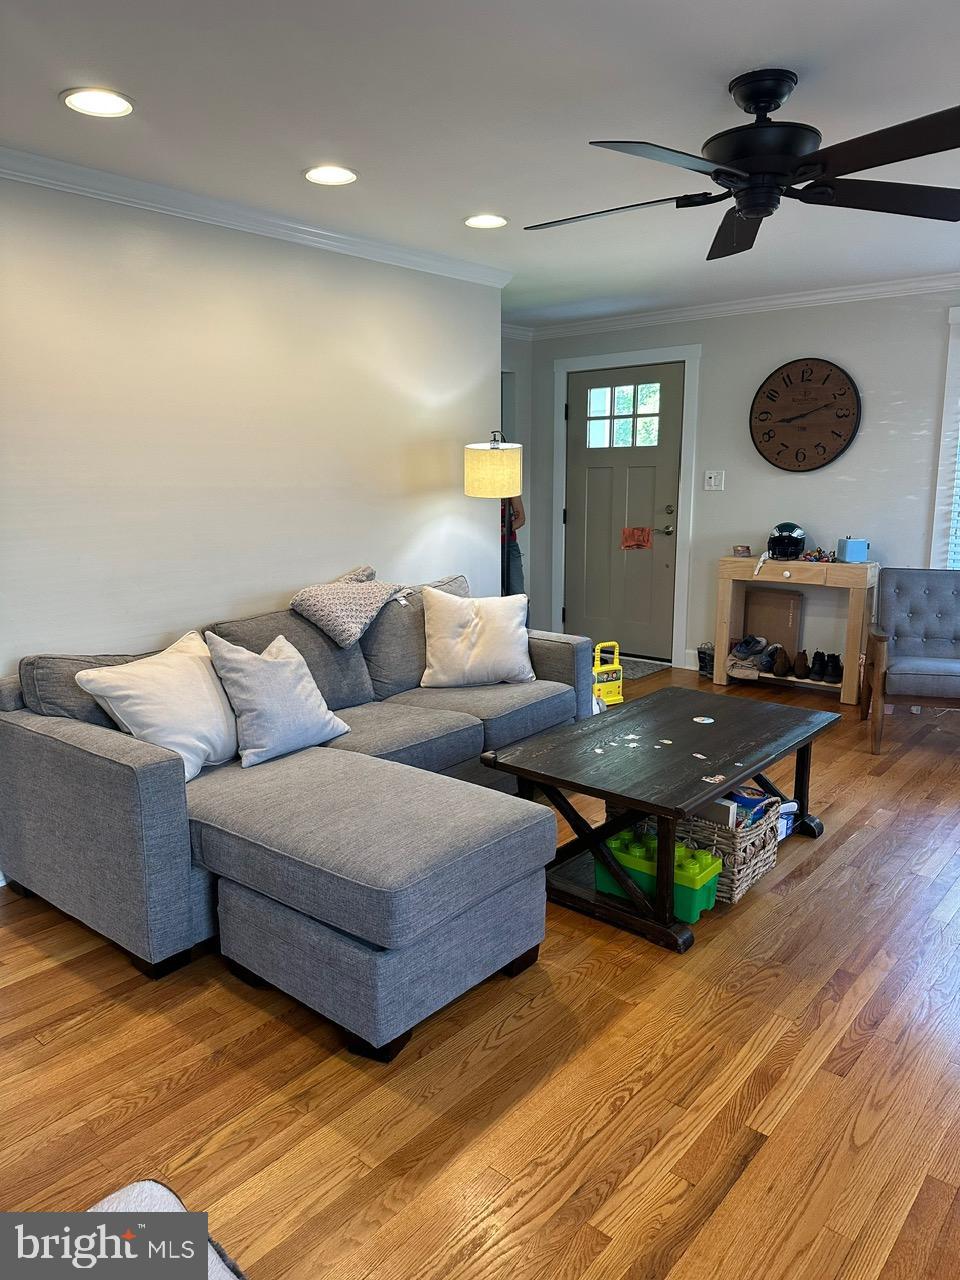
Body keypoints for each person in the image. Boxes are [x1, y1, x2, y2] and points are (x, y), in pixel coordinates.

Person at [501, 494, 526, 595]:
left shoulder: (510, 488)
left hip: (508, 546)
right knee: (492, 591)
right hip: (488, 544)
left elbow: (521, 519)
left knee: (517, 593)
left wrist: (504, 530)